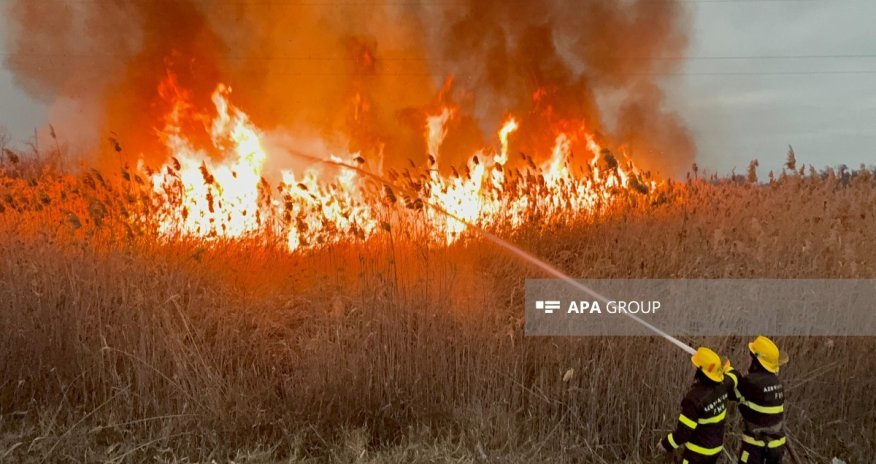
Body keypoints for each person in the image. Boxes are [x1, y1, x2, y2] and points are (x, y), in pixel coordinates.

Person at [659, 347, 730, 464]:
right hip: (715, 450)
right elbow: (730, 375)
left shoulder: (694, 400)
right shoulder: (722, 387)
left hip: (697, 454)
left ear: (700, 371)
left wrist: (665, 444)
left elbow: (683, 433)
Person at [725, 336, 788, 464]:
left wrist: (728, 370)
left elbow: (730, 393)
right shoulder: (777, 383)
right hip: (777, 446)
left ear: (757, 360)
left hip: (756, 447)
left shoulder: (751, 382)